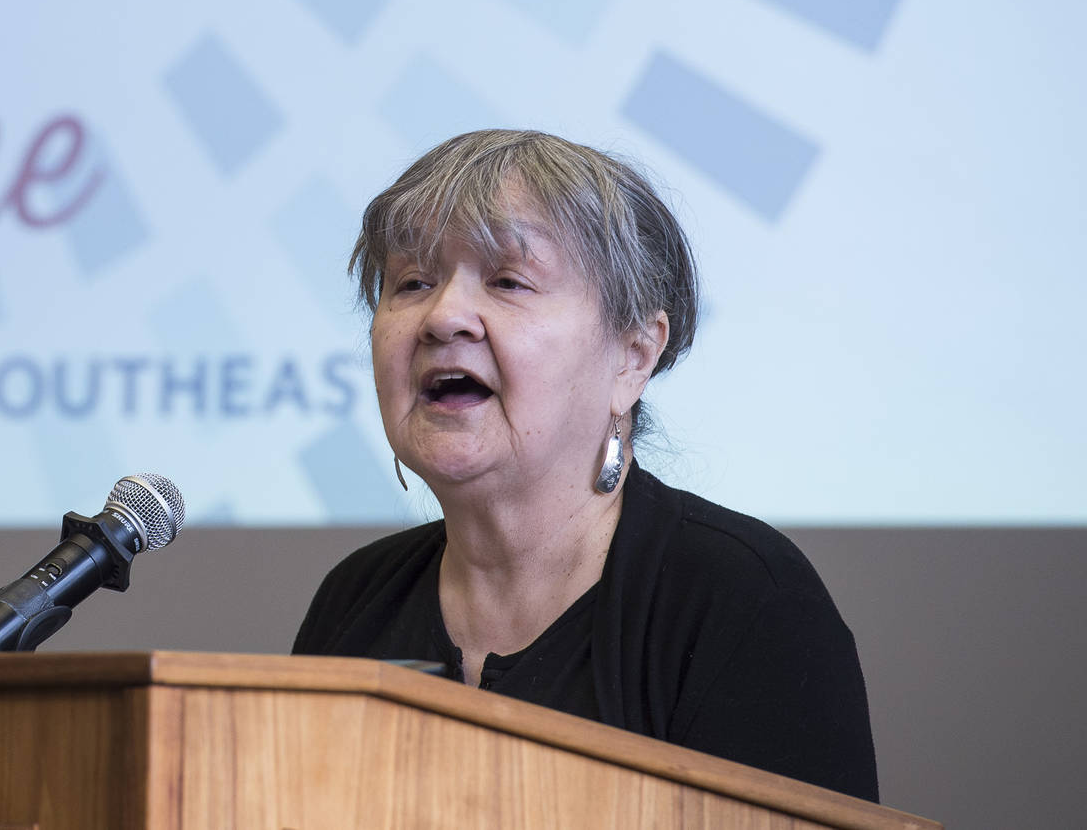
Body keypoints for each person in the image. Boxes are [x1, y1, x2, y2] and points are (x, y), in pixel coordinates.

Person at [292, 129, 878, 800]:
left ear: (633, 356)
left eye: (508, 280)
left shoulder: (740, 600)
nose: (443, 316)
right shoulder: (356, 600)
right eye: (412, 282)